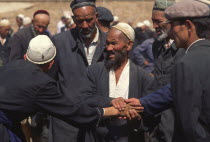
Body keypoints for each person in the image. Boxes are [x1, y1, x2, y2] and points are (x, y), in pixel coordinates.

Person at [0, 35, 132, 142]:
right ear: (51, 64)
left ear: (25, 56)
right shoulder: (42, 84)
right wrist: (111, 111)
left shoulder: (10, 66)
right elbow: (72, 112)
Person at [124, 1, 210, 142]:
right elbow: (172, 87)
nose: (171, 31)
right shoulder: (159, 44)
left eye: (173, 25)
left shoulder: (187, 61)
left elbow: (190, 122)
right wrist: (143, 103)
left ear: (188, 26)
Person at [50, 0, 108, 142]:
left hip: (102, 120)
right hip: (67, 124)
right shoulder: (59, 42)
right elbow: (50, 81)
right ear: (73, 19)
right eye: (79, 21)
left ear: (97, 16)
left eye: (89, 20)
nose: (85, 25)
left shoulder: (110, 43)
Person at [86, 22, 153, 142]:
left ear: (128, 45)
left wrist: (136, 120)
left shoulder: (143, 77)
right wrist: (111, 101)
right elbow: (85, 98)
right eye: (107, 43)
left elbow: (149, 116)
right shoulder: (94, 71)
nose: (109, 48)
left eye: (114, 43)